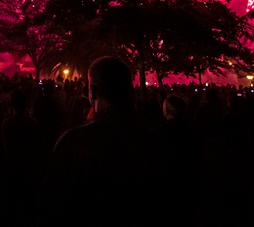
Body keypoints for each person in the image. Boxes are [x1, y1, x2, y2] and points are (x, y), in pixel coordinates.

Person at [40, 57, 164, 226]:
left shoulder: (72, 143)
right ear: (129, 91)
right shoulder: (155, 143)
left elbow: (51, 204)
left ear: (93, 92)